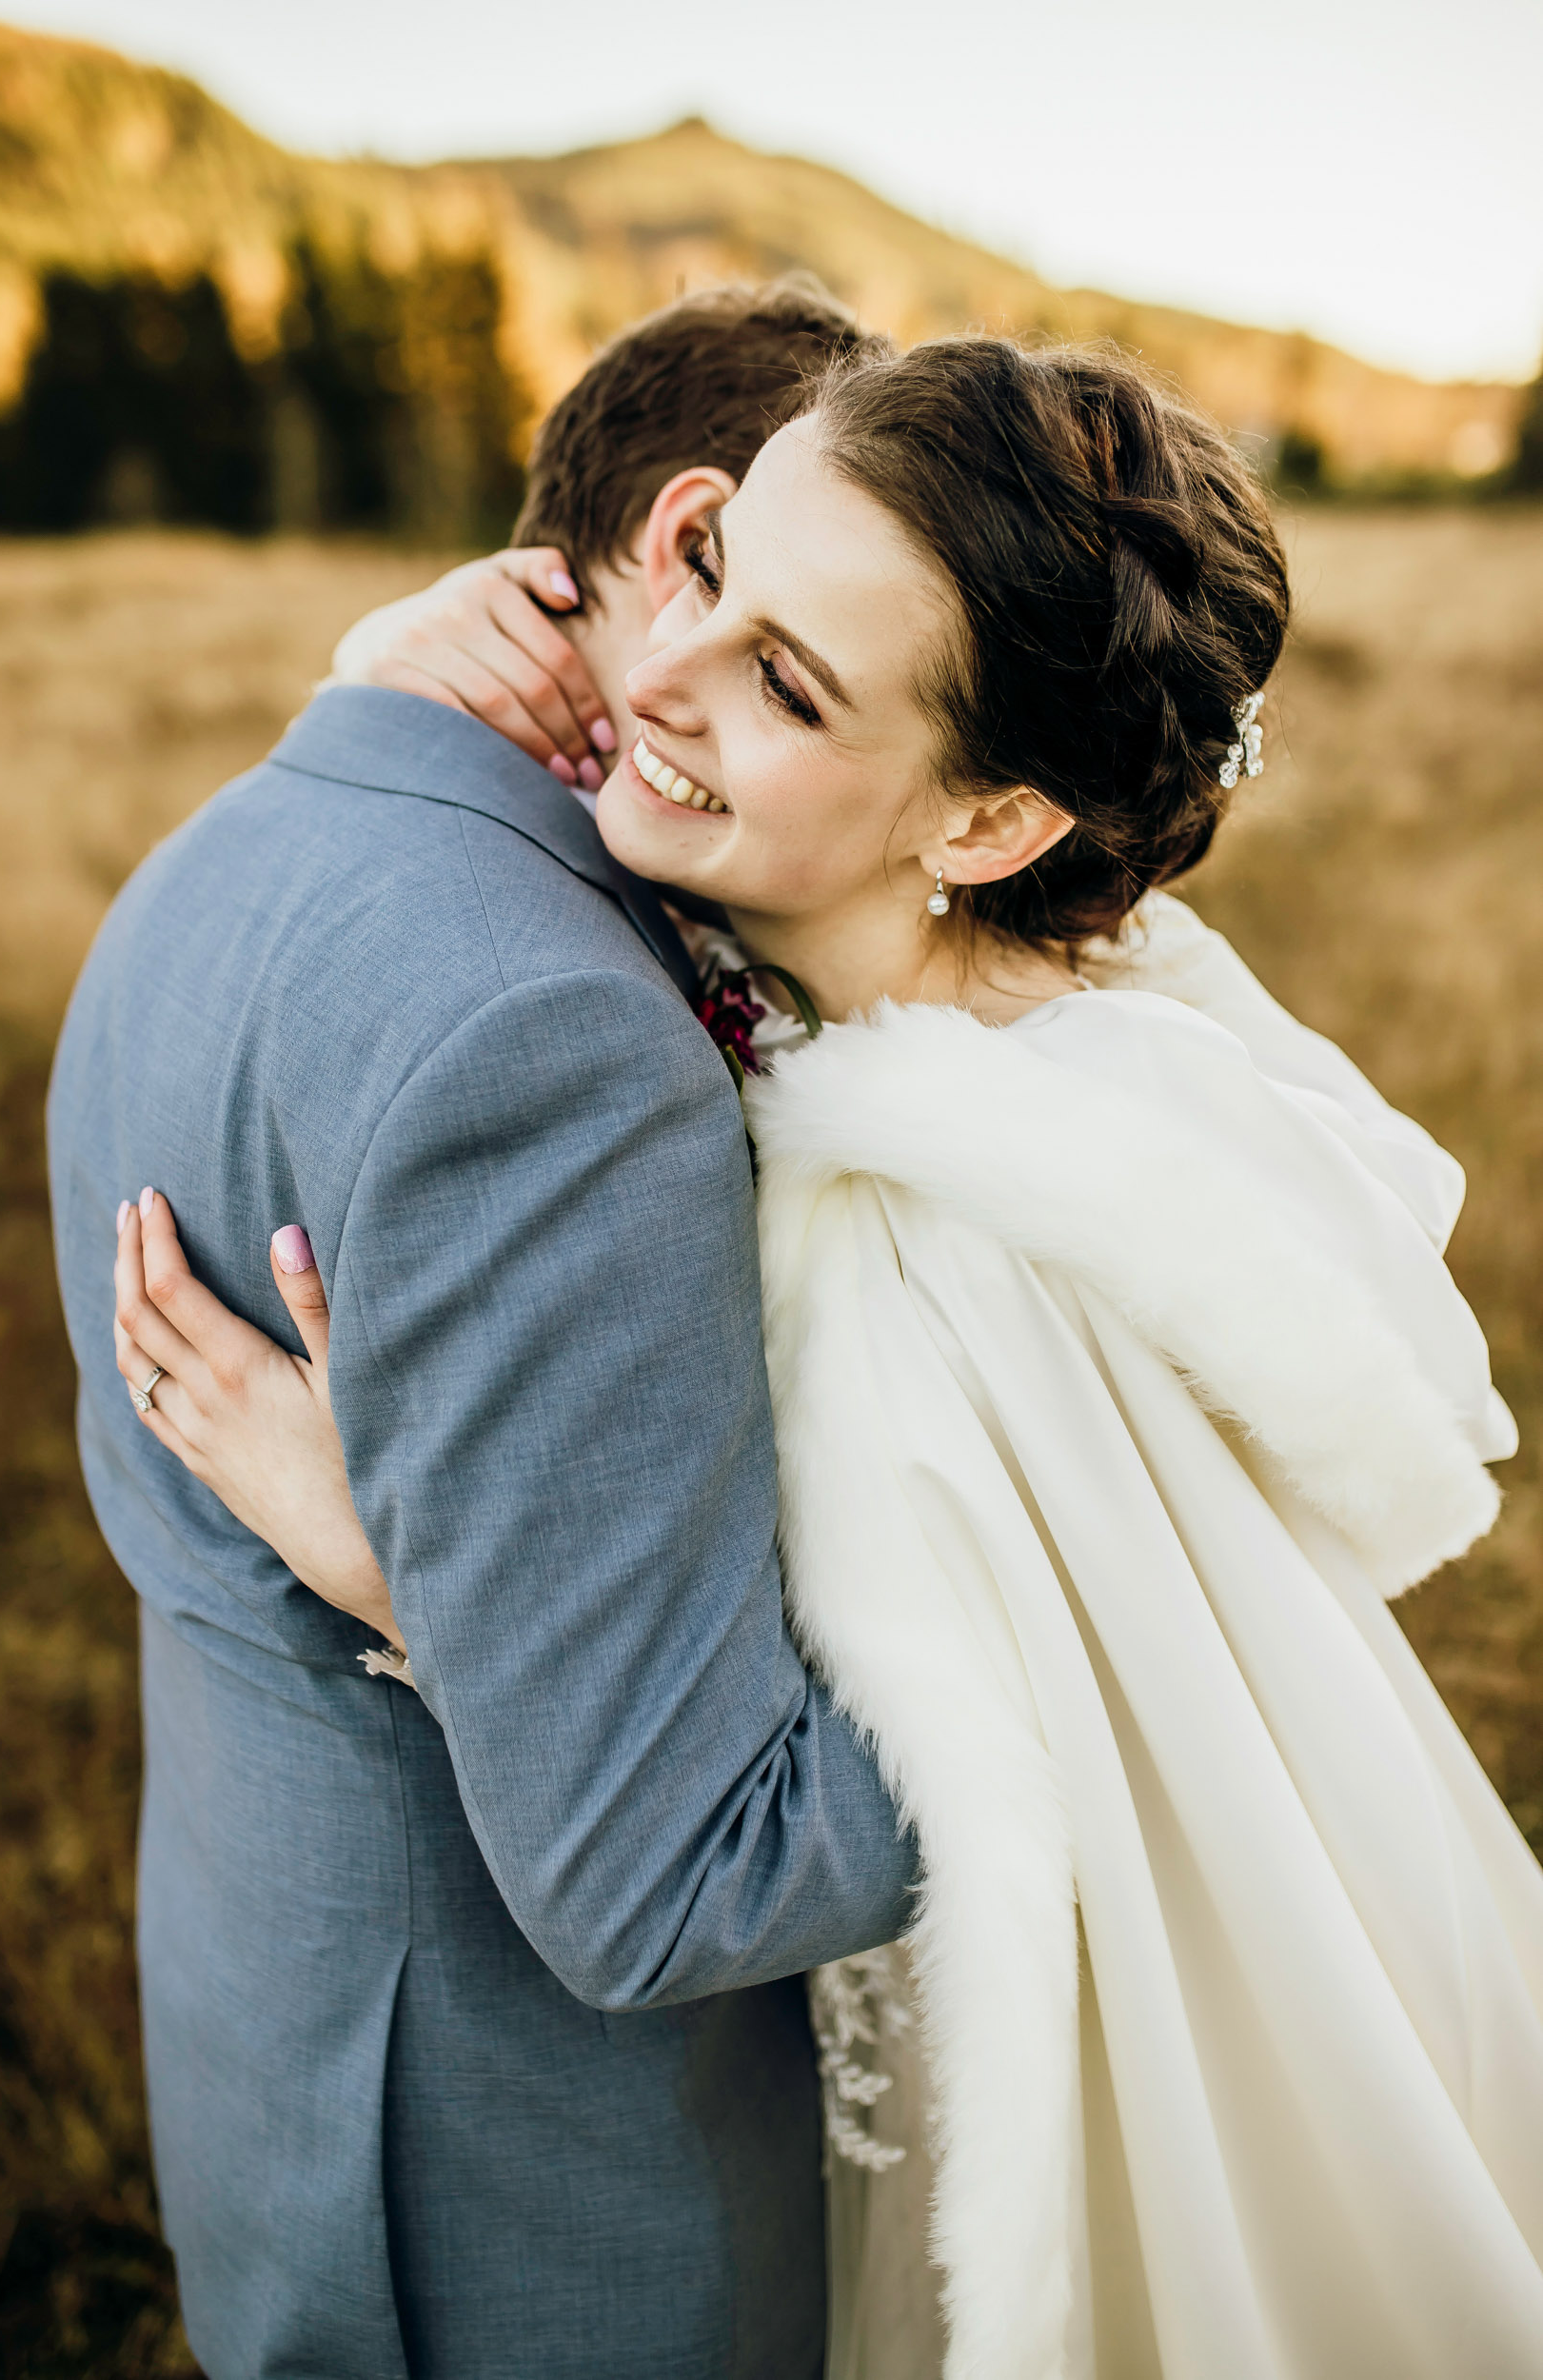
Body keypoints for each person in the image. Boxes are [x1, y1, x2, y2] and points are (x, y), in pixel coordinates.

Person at [109, 334, 1543, 2379]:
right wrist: (394, 660)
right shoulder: (896, 976)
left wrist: (405, 1557)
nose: (664, 675)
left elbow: (1017, 1742)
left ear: (989, 816)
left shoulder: (956, 1242)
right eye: (708, 574)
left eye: (787, 683)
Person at [48, 281, 917, 2380]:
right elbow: (673, 1873)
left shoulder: (221, 850)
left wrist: (413, 1558)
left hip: (275, 2010)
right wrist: (1135, 1710)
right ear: (693, 537)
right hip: (524, 2178)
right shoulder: (559, 1033)